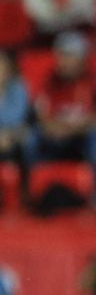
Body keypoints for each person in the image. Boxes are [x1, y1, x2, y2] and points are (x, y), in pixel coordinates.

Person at [26, 31, 96, 206]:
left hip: (81, 137)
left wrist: (72, 129)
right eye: (62, 55)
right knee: (31, 138)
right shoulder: (49, 80)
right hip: (55, 136)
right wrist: (53, 127)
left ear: (82, 58)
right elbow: (41, 115)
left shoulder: (93, 81)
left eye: (70, 55)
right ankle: (30, 192)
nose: (64, 61)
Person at [0, 50, 32, 210]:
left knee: (29, 141)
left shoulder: (19, 88)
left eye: (2, 65)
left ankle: (26, 192)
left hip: (14, 136)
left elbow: (17, 118)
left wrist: (6, 135)